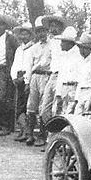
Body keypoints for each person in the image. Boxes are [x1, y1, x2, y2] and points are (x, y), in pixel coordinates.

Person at [22, 16, 52, 145]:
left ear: (47, 31)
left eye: (43, 31)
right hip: (35, 76)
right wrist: (27, 82)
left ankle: (42, 135)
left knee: (43, 106)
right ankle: (30, 134)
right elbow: (28, 66)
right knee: (31, 105)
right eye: (38, 31)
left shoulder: (53, 45)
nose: (41, 34)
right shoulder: (33, 48)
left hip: (47, 76)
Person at [38, 14, 68, 145]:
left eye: (56, 26)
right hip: (51, 75)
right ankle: (51, 134)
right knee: (44, 109)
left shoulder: (67, 43)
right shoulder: (49, 42)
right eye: (51, 26)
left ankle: (56, 139)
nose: (53, 28)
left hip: (62, 76)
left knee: (58, 108)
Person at [9, 22, 33, 139]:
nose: (23, 37)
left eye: (26, 35)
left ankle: (27, 132)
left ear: (30, 35)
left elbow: (30, 66)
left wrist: (26, 78)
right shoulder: (19, 49)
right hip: (18, 77)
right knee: (18, 105)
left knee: (26, 105)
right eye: (21, 35)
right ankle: (23, 130)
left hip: (27, 77)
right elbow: (15, 64)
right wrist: (13, 77)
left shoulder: (32, 48)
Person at [52, 27, 81, 117]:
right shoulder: (63, 56)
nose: (60, 45)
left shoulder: (79, 56)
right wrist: (58, 93)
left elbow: (81, 77)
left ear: (69, 43)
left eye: (63, 42)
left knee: (70, 114)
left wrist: (76, 96)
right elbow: (61, 76)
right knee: (56, 112)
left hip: (73, 87)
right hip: (63, 87)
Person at [72, 32, 91, 115]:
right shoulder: (80, 62)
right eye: (81, 48)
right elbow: (79, 81)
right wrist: (76, 98)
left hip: (90, 91)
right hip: (81, 92)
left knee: (87, 116)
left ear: (90, 49)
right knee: (77, 116)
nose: (82, 50)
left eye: (85, 48)